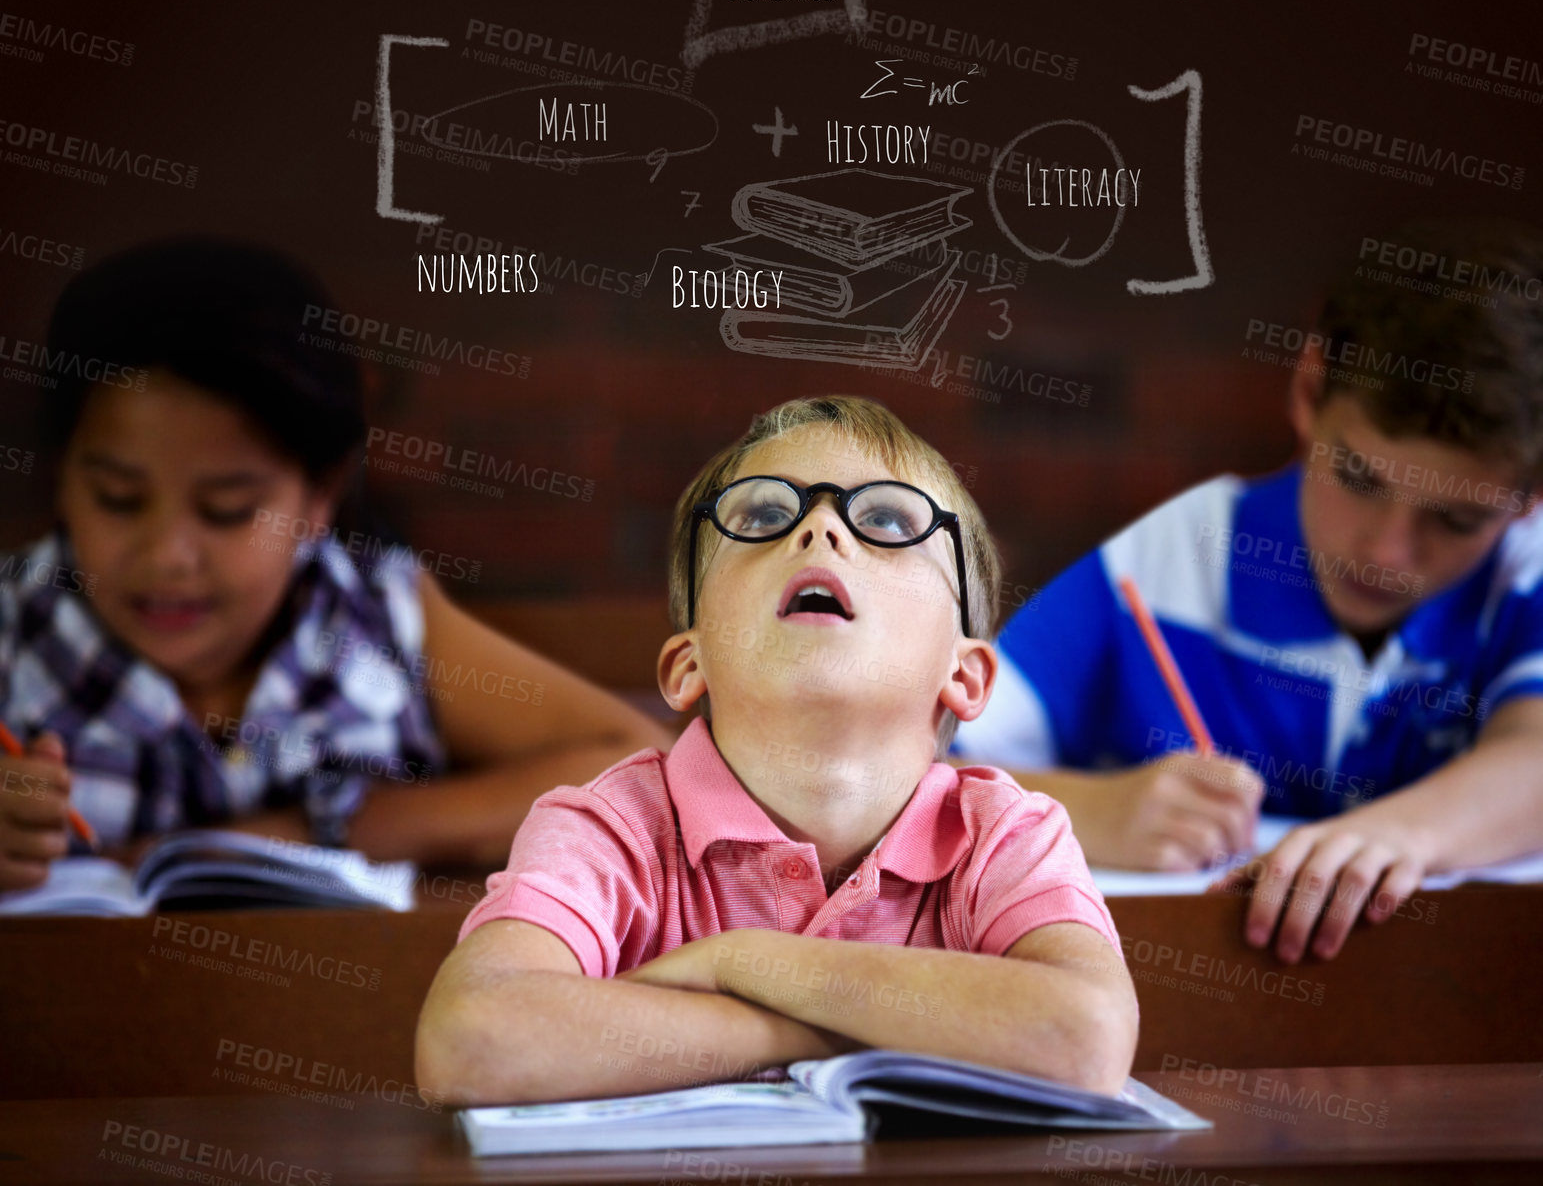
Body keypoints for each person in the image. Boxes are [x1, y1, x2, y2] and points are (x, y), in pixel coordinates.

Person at [415, 395, 1137, 1105]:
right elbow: (472, 1041)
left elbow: (1085, 1037)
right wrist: (825, 1028)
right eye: (763, 516)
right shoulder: (609, 827)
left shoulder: (1004, 832)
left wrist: (741, 961)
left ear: (964, 673)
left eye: (885, 518)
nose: (819, 527)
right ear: (686, 664)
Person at [0, 238, 669, 890]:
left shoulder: (379, 618)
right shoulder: (15, 631)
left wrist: (321, 828)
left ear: (320, 494)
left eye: (227, 508)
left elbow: (640, 761)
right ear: (61, 475)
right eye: (117, 499)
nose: (167, 556)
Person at [956, 220, 1543, 963]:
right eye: (1358, 477)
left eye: (1456, 518)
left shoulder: (1527, 570)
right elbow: (914, 770)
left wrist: (1398, 836)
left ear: (1529, 494)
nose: (1389, 552)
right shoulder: (1171, 557)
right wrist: (1092, 811)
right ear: (1306, 390)